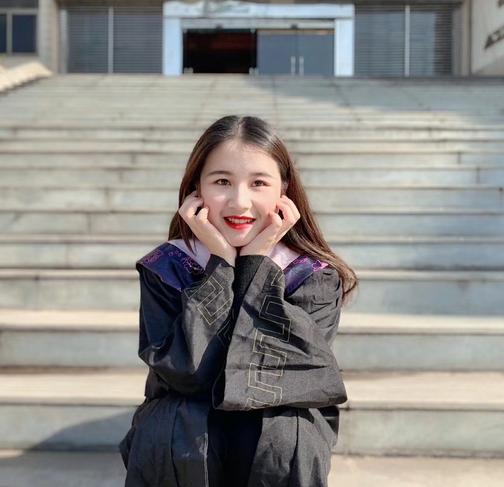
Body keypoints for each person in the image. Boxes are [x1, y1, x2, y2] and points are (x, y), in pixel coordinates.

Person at [119, 115, 358, 487]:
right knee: (176, 429)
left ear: (284, 190)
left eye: (258, 183)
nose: (239, 201)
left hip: (280, 411)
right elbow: (184, 373)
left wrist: (254, 264)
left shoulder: (312, 275)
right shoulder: (167, 267)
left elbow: (289, 376)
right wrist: (221, 265)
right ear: (196, 188)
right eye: (222, 182)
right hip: (188, 408)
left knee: (284, 437)